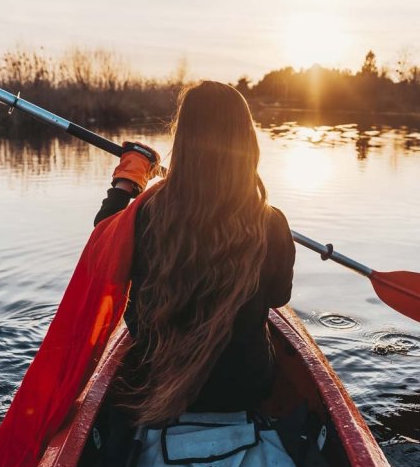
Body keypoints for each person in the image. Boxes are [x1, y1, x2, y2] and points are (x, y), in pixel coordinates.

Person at [94, 80, 296, 425]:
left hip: (154, 384)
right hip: (245, 390)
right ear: (246, 141)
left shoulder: (146, 213)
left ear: (184, 139)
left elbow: (103, 238)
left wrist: (128, 179)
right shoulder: (271, 222)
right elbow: (278, 298)